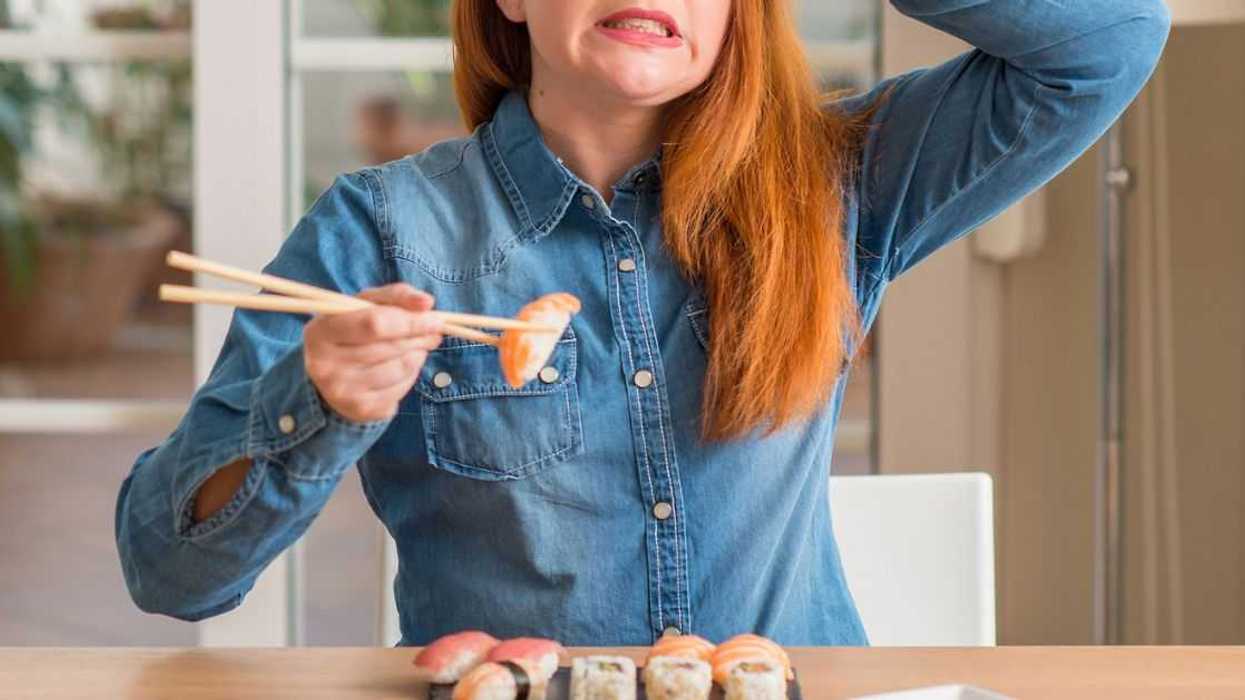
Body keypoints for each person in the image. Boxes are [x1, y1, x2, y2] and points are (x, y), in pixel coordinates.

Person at [116, 0, 1170, 645]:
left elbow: (1116, 39)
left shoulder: (840, 182)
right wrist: (315, 401)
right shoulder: (377, 232)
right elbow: (167, 572)